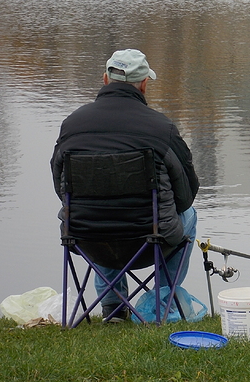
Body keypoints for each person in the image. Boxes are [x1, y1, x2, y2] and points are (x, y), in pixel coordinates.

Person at [51, 49, 199, 322]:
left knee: (96, 213)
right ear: (144, 84)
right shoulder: (161, 128)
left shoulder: (71, 126)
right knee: (189, 216)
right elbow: (187, 196)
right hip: (149, 240)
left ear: (105, 79)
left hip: (86, 239)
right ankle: (161, 302)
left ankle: (113, 307)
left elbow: (61, 189)